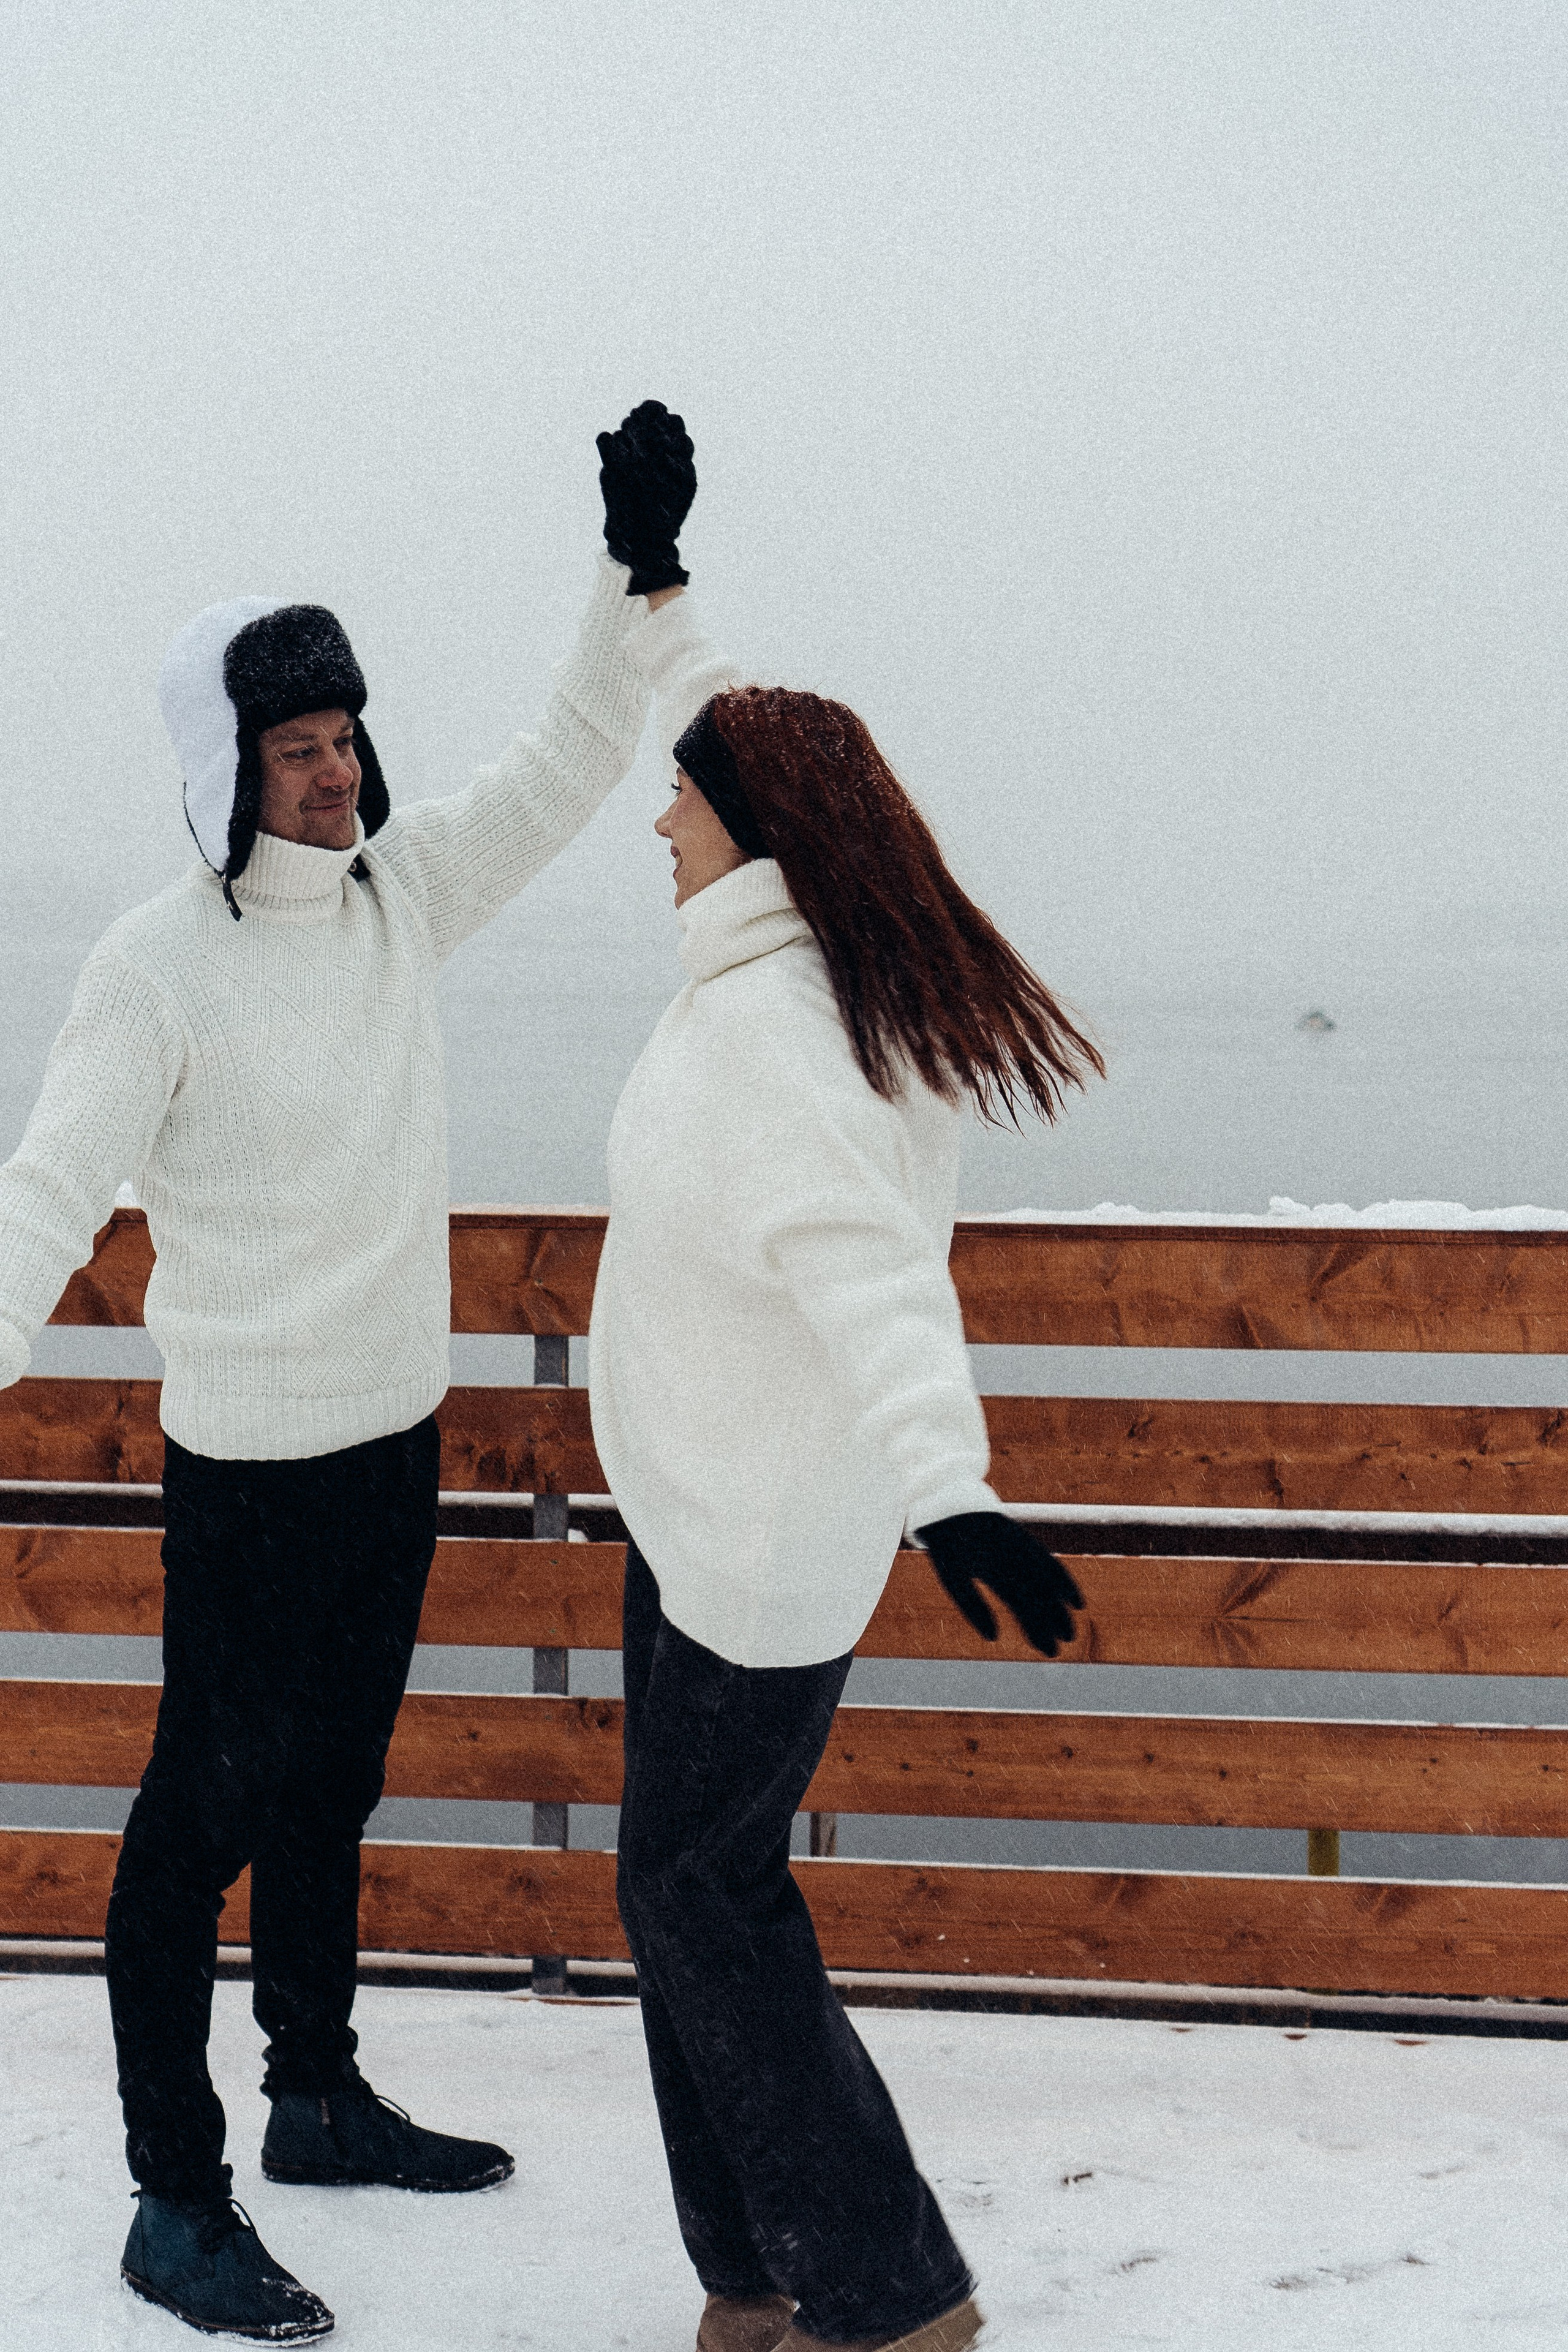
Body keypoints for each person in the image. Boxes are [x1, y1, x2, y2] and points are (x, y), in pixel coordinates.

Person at [0, 402, 696, 2342]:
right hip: (247, 1469)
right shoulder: (153, 967)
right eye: (293, 748)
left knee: (337, 1784)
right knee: (196, 1818)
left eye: (341, 740)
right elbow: (47, 1185)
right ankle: (172, 2193)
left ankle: (314, 2094)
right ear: (224, 769)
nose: (332, 775)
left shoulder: (398, 901)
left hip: (395, 1443)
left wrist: (633, 572)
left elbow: (564, 764)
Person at [589, 593, 1104, 2352]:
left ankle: (891, 2294)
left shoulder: (782, 1043)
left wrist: (951, 1484)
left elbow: (880, 1282)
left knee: (697, 1890)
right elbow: (721, 713)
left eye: (682, 801)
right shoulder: (788, 962)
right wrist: (653, 585)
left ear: (754, 831)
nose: (660, 820)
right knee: (676, 1891)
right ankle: (751, 2274)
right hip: (696, 1515)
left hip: (751, 1556)